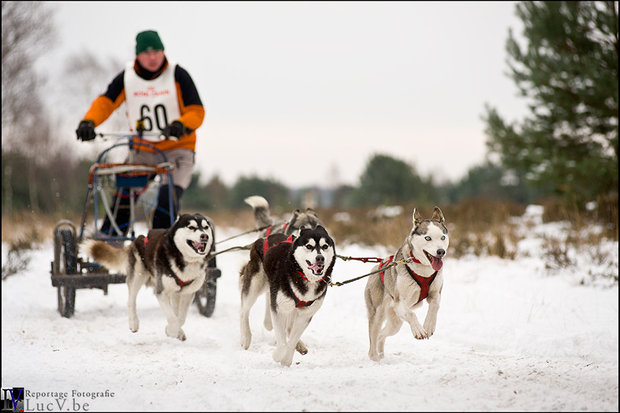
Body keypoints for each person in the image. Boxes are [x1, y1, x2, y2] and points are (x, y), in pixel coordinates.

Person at [76, 29, 205, 235]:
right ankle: (109, 247)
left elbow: (196, 111)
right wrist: (89, 122)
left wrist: (181, 125)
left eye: (157, 52)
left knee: (167, 199)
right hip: (143, 150)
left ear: (163, 52)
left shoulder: (178, 75)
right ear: (137, 55)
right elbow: (106, 102)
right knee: (124, 198)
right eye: (147, 53)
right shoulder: (127, 78)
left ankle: (159, 248)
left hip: (177, 150)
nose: (152, 57)